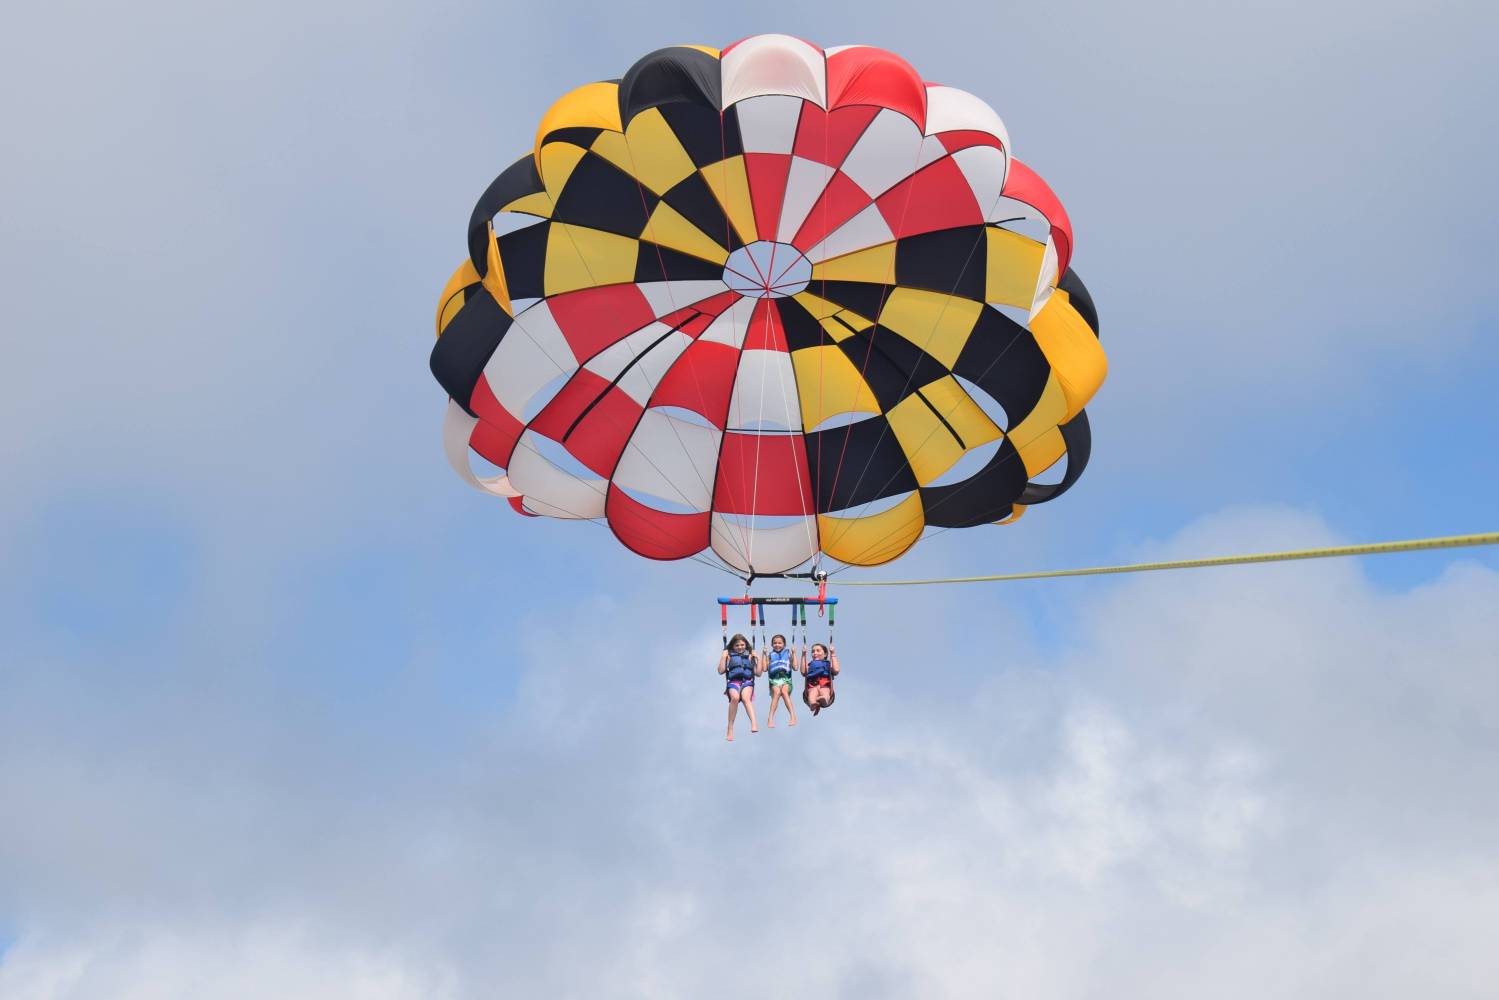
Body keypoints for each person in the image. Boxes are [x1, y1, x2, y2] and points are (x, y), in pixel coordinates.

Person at [718, 633, 759, 740]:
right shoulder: (729, 656)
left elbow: (758, 673)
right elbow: (721, 671)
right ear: (733, 646)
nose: (740, 647)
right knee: (735, 698)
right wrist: (723, 657)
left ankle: (754, 723)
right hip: (733, 682)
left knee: (746, 698)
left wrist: (757, 658)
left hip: (747, 682)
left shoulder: (750, 656)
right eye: (737, 645)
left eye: (742, 645)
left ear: (746, 645)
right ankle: (730, 728)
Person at [762, 633, 797, 728]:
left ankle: (793, 716)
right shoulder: (770, 655)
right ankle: (770, 718)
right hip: (774, 681)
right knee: (777, 693)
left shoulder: (788, 654)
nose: (777, 645)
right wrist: (764, 654)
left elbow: (795, 667)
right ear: (772, 645)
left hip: (786, 680)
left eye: (780, 643)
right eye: (775, 643)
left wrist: (794, 654)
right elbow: (764, 669)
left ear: (784, 645)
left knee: (784, 692)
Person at [801, 642, 839, 716]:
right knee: (812, 694)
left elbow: (836, 670)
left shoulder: (828, 664)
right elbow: (803, 672)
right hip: (812, 685)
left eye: (818, 651)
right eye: (813, 651)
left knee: (825, 692)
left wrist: (833, 654)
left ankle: (824, 700)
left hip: (824, 684)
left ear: (825, 654)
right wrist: (803, 655)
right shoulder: (810, 665)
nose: (815, 653)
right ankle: (812, 704)